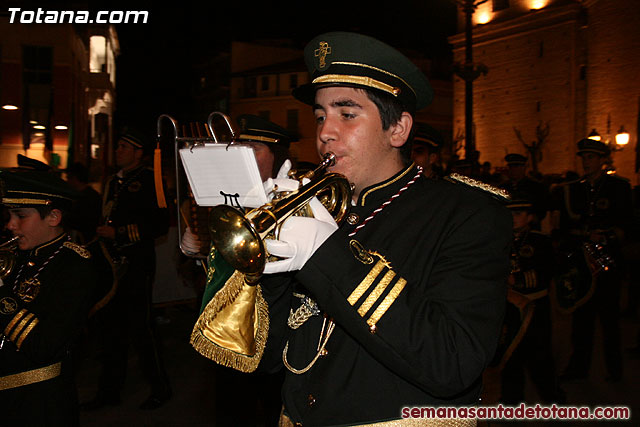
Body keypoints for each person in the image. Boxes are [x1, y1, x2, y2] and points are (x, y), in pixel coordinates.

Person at [195, 32, 512, 426]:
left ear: (398, 129)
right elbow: (265, 359)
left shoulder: (465, 213)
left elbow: (452, 362)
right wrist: (267, 267)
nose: (326, 131)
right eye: (320, 115)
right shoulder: (319, 209)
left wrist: (325, 253)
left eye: (347, 114)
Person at [185, 114, 297, 426]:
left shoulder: (290, 196)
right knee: (231, 410)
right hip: (227, 329)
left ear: (278, 157)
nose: (245, 155)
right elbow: (220, 270)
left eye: (256, 148)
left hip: (272, 332)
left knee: (275, 410)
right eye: (242, 147)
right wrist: (198, 252)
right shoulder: (226, 197)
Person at [81, 129, 172, 410]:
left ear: (138, 153)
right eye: (118, 145)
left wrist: (118, 233)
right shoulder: (111, 181)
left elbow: (158, 224)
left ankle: (161, 389)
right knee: (111, 331)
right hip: (110, 264)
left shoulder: (150, 180)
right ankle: (109, 392)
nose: (117, 150)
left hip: (136, 264)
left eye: (123, 146)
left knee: (142, 329)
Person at [0, 167, 96, 425]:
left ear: (53, 217)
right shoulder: (18, 255)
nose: (10, 225)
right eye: (9, 215)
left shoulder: (75, 265)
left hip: (39, 399)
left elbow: (44, 347)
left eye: (20, 216)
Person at [553, 138, 632, 383]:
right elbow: (563, 228)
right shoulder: (572, 190)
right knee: (582, 319)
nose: (586, 162)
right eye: (584, 158)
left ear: (602, 160)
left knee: (609, 320)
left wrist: (609, 235)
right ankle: (579, 368)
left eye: (591, 158)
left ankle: (614, 370)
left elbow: (628, 223)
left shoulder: (618, 187)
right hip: (582, 262)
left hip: (608, 261)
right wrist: (585, 235)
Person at [496, 193, 564, 404]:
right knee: (510, 356)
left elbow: (548, 270)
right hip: (509, 307)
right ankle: (511, 403)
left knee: (540, 358)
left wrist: (517, 280)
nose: (514, 218)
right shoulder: (497, 240)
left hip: (535, 307)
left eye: (519, 213)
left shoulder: (540, 241)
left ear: (530, 217)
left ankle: (553, 401)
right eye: (510, 213)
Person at [500, 153, 549, 227]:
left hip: (530, 228)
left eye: (516, 167)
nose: (513, 170)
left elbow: (542, 208)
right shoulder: (502, 187)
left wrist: (532, 219)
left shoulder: (536, 187)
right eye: (510, 167)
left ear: (524, 168)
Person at [65, 162, 102, 244]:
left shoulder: (91, 197)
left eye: (68, 178)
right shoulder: (73, 194)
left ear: (75, 178)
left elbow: (86, 221)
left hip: (85, 240)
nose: (67, 181)